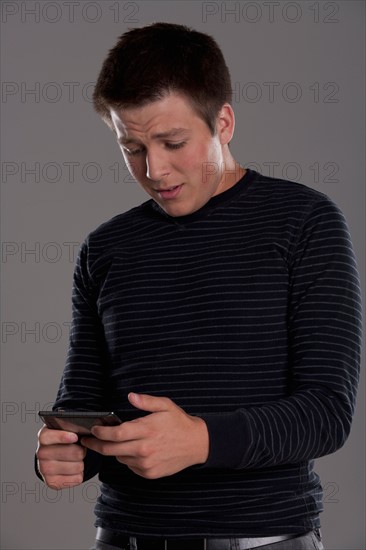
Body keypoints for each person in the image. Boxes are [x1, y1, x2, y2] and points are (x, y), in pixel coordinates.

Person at [35, 22, 362, 550]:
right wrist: (66, 448)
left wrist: (202, 440)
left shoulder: (305, 221)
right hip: (124, 536)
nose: (154, 169)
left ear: (224, 122)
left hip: (264, 538)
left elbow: (326, 412)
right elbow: (84, 400)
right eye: (132, 146)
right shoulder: (106, 247)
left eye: (172, 142)